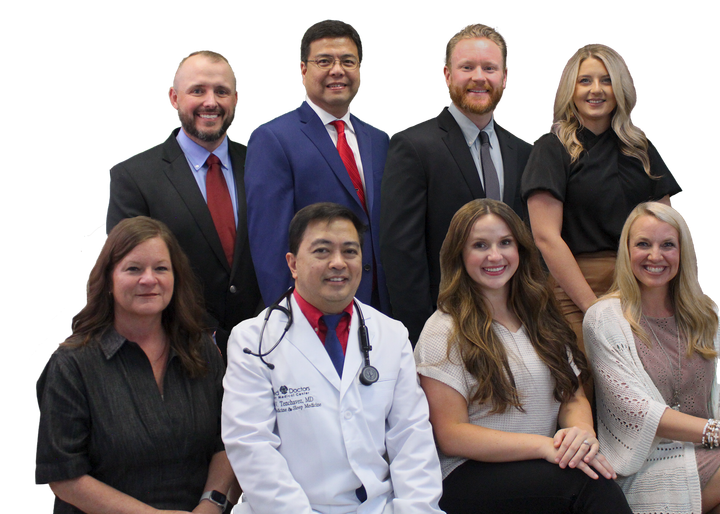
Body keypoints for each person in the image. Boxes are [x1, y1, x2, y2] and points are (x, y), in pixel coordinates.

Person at [222, 203, 444, 514]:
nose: (338, 263)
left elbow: (412, 437)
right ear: (293, 263)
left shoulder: (391, 335)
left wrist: (415, 509)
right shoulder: (253, 341)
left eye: (350, 252)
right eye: (322, 251)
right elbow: (251, 445)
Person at [415, 199, 632, 514]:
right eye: (480, 245)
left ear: (521, 249)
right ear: (459, 255)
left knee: (592, 472)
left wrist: (579, 434)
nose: (495, 255)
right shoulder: (442, 329)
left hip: (539, 463)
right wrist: (546, 447)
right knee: (590, 486)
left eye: (505, 243)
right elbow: (451, 435)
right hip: (466, 473)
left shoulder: (541, 317)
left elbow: (571, 397)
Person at [35, 217, 239, 514]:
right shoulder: (72, 364)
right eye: (133, 269)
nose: (149, 279)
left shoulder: (201, 348)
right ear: (108, 280)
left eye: (160, 268)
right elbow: (63, 474)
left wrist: (211, 504)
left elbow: (227, 439)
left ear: (175, 278)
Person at [522, 43, 681, 361]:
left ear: (620, 87)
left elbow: (668, 225)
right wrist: (592, 308)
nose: (596, 90)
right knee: (590, 383)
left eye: (606, 80)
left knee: (646, 386)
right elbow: (545, 237)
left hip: (640, 283)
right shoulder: (552, 148)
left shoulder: (639, 147)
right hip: (577, 289)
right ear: (571, 89)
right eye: (585, 81)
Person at [380, 22, 532, 344]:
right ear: (447, 75)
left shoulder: (523, 152)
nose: (479, 77)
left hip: (515, 323)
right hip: (445, 327)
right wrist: (423, 337)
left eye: (490, 68)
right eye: (467, 67)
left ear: (505, 77)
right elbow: (401, 253)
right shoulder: (413, 146)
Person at [106, 49, 261, 358]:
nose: (210, 102)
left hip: (263, 345)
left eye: (221, 91)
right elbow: (129, 270)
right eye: (197, 91)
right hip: (177, 349)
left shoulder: (262, 165)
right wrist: (204, 335)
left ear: (236, 99)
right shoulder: (134, 176)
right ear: (174, 98)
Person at [244, 19, 390, 314]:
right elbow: (270, 246)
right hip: (313, 311)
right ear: (303, 69)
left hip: (378, 310)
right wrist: (289, 317)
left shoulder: (379, 139)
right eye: (324, 61)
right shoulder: (272, 138)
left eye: (347, 61)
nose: (337, 70)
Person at [583, 202, 720, 514]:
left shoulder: (706, 314)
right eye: (643, 244)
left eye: (667, 245)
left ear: (683, 252)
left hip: (710, 453)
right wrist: (714, 431)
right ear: (626, 251)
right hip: (648, 467)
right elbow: (638, 412)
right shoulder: (604, 318)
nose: (655, 256)